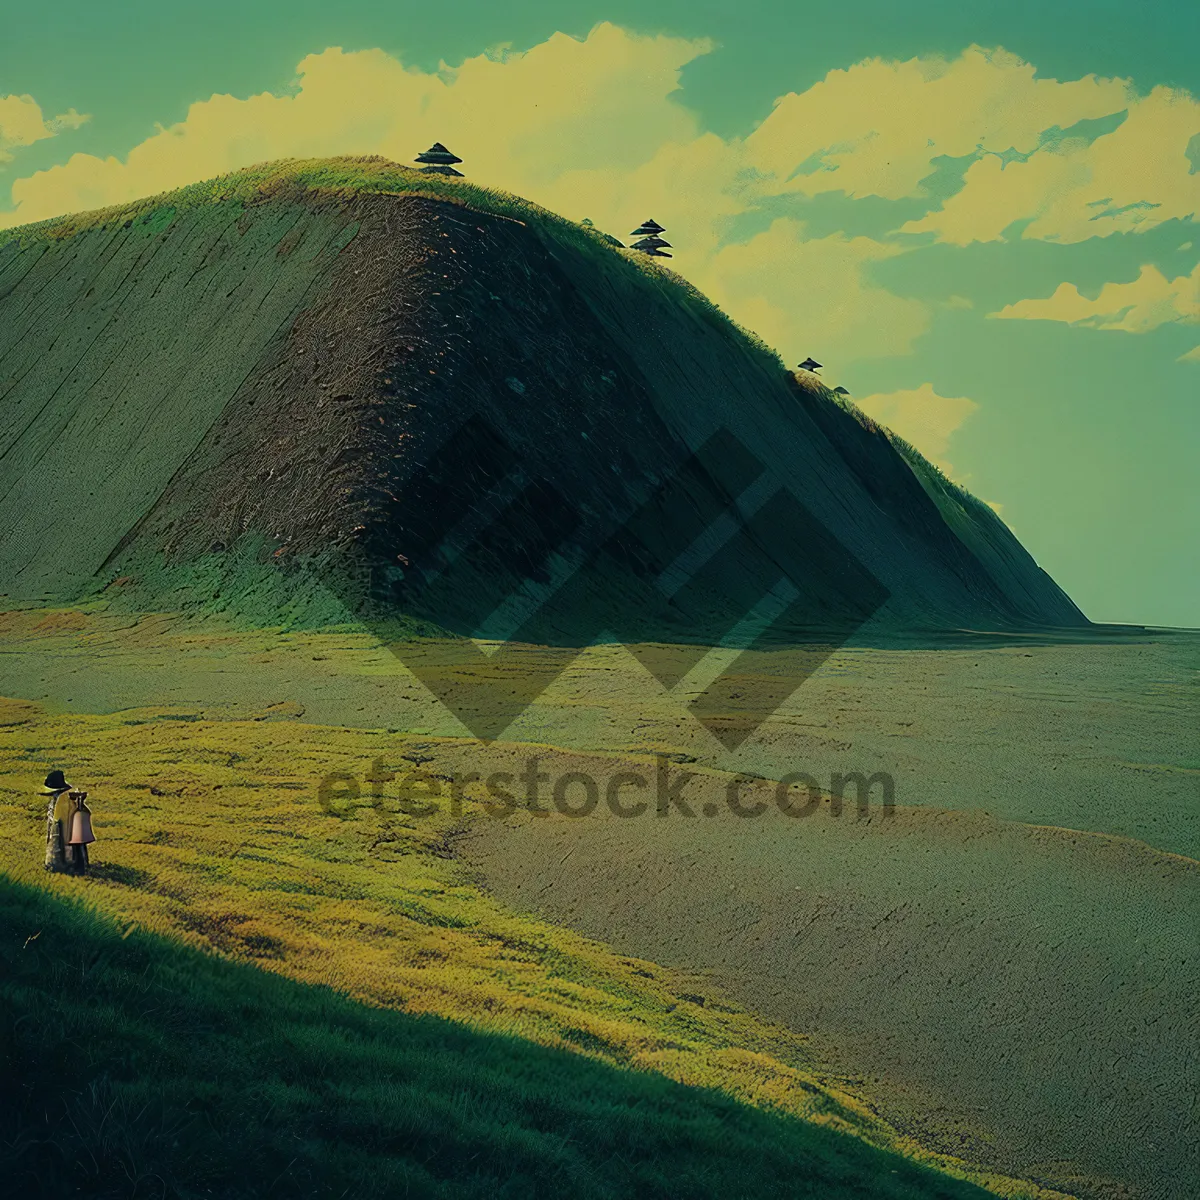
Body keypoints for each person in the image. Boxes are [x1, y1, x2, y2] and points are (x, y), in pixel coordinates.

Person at [41, 770, 94, 875]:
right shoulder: (65, 799)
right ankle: (74, 865)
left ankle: (62, 866)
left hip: (62, 829)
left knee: (62, 847)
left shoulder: (62, 800)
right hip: (65, 828)